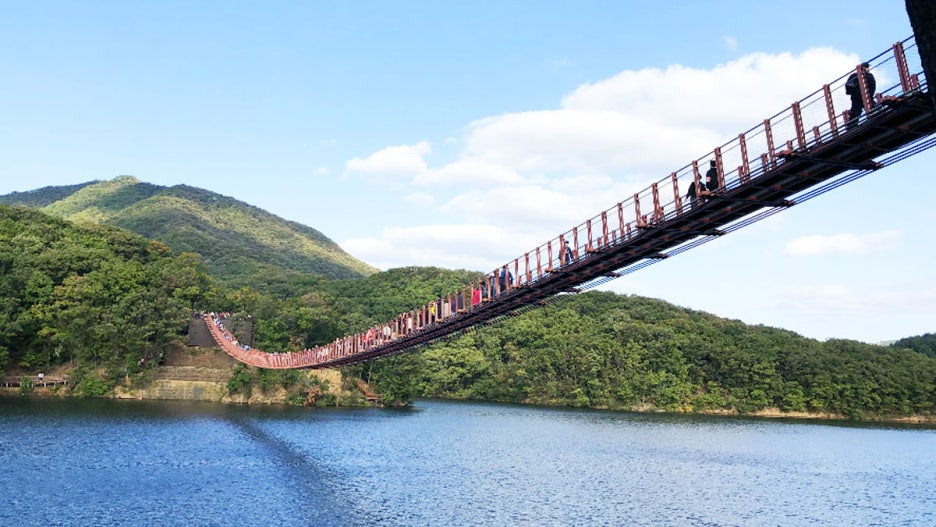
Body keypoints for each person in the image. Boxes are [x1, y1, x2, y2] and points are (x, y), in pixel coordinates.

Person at [846, 62, 876, 130]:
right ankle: (877, 116)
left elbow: (848, 87)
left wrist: (853, 93)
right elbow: (872, 86)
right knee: (872, 107)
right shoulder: (869, 75)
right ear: (866, 68)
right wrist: (870, 95)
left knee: (855, 112)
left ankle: (851, 127)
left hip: (856, 97)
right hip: (866, 96)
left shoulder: (853, 75)